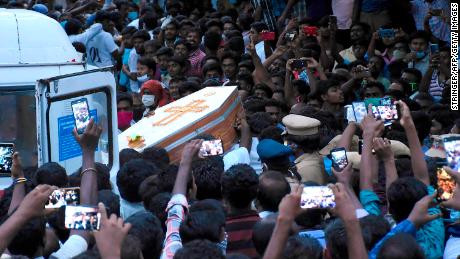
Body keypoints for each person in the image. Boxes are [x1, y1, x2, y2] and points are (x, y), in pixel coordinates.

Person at [282, 114, 326, 184]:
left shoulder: (303, 169)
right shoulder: (315, 157)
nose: (285, 144)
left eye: (286, 141)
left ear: (294, 145)